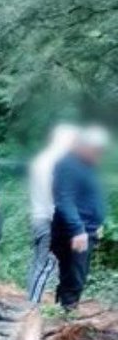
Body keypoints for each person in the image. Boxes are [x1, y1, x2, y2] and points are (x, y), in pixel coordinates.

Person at [50, 126, 110, 309]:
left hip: (86, 230)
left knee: (76, 274)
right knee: (74, 276)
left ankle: (65, 312)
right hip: (74, 232)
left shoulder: (86, 166)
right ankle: (66, 316)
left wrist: (97, 224)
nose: (99, 154)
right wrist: (77, 230)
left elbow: (88, 198)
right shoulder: (68, 165)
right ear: (83, 146)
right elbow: (64, 200)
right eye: (96, 150)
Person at [26, 124, 79, 302]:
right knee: (46, 266)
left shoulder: (41, 160)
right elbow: (58, 197)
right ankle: (31, 308)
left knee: (38, 265)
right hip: (50, 219)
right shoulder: (56, 163)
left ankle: (30, 304)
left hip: (38, 216)